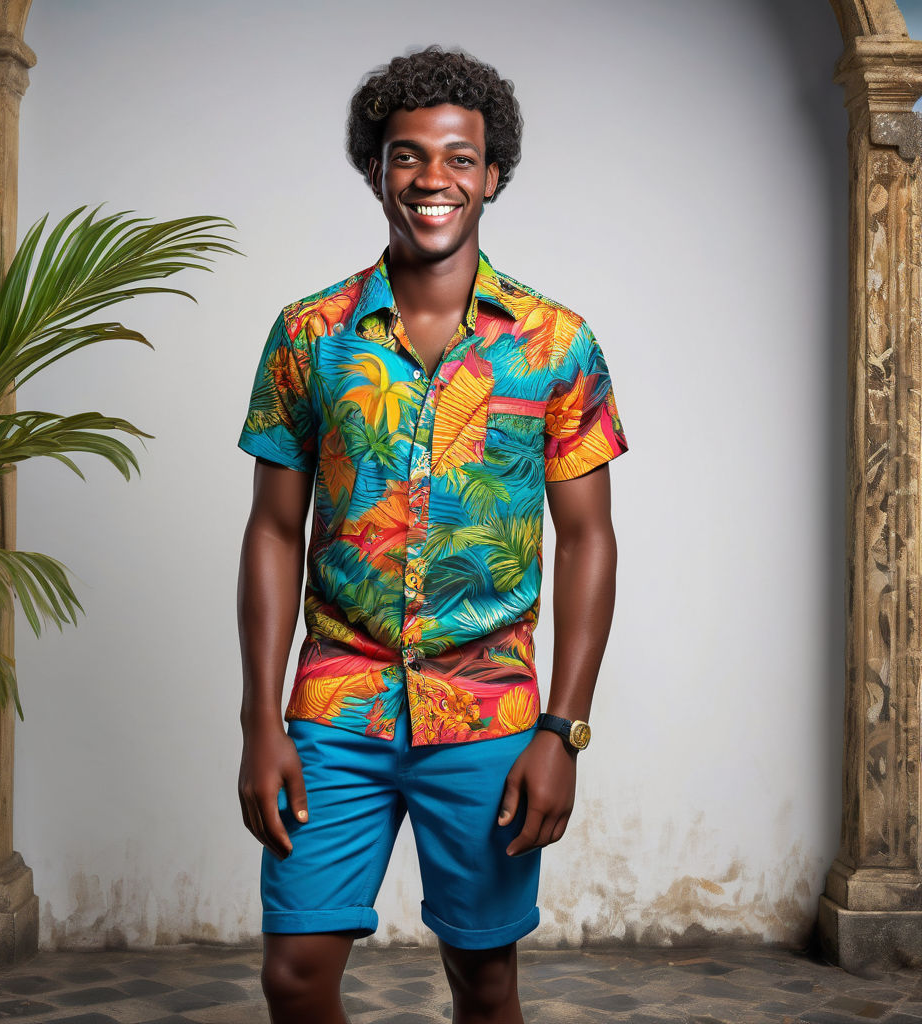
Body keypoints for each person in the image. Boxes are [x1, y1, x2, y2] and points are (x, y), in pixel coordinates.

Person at [236, 44, 629, 1024]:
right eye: (407, 155)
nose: (432, 178)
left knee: (484, 979)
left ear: (493, 175)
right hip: (337, 704)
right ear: (377, 168)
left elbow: (587, 541)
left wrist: (563, 732)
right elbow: (274, 531)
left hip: (491, 715)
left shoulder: (556, 344)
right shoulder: (308, 335)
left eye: (459, 157)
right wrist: (260, 721)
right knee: (292, 974)